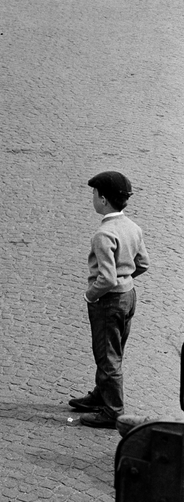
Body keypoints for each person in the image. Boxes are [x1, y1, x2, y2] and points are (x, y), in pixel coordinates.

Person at [69, 171, 149, 428]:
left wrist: (89, 295)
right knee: (115, 350)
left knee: (106, 356)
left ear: (103, 200)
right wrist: (127, 277)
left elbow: (106, 279)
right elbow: (143, 264)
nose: (92, 198)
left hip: (109, 301)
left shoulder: (104, 234)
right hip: (129, 297)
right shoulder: (133, 228)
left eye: (94, 194)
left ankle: (112, 411)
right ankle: (100, 394)